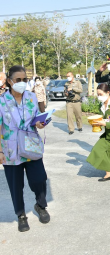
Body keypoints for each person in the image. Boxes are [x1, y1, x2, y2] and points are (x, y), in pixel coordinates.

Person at [0, 66, 50, 232]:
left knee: (39, 178)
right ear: (9, 81)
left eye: (25, 80)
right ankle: (21, 215)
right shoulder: (1, 101)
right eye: (18, 80)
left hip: (30, 145)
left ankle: (40, 205)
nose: (22, 83)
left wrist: (39, 123)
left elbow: (36, 117)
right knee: (16, 185)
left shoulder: (31, 97)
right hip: (10, 151)